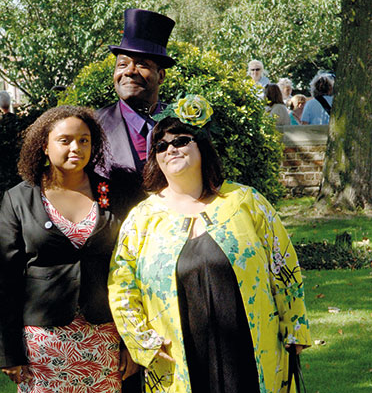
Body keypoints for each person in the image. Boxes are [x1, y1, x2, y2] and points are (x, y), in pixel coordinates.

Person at [108, 95, 311, 393]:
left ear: (201, 146)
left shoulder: (246, 201)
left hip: (251, 347)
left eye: (181, 140)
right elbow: (121, 285)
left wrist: (295, 326)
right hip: (179, 358)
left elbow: (283, 265)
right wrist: (143, 342)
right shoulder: (142, 218)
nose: (171, 149)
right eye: (161, 146)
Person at [0, 105, 144, 392]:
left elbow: (131, 269)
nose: (76, 147)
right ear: (45, 147)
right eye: (65, 140)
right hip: (42, 343)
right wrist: (9, 350)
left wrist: (131, 342)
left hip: (103, 336)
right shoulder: (20, 198)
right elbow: (5, 281)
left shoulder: (111, 193)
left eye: (84, 140)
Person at [97, 9, 176, 174]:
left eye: (142, 64)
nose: (129, 71)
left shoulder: (184, 122)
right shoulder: (94, 125)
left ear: (160, 76)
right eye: (122, 64)